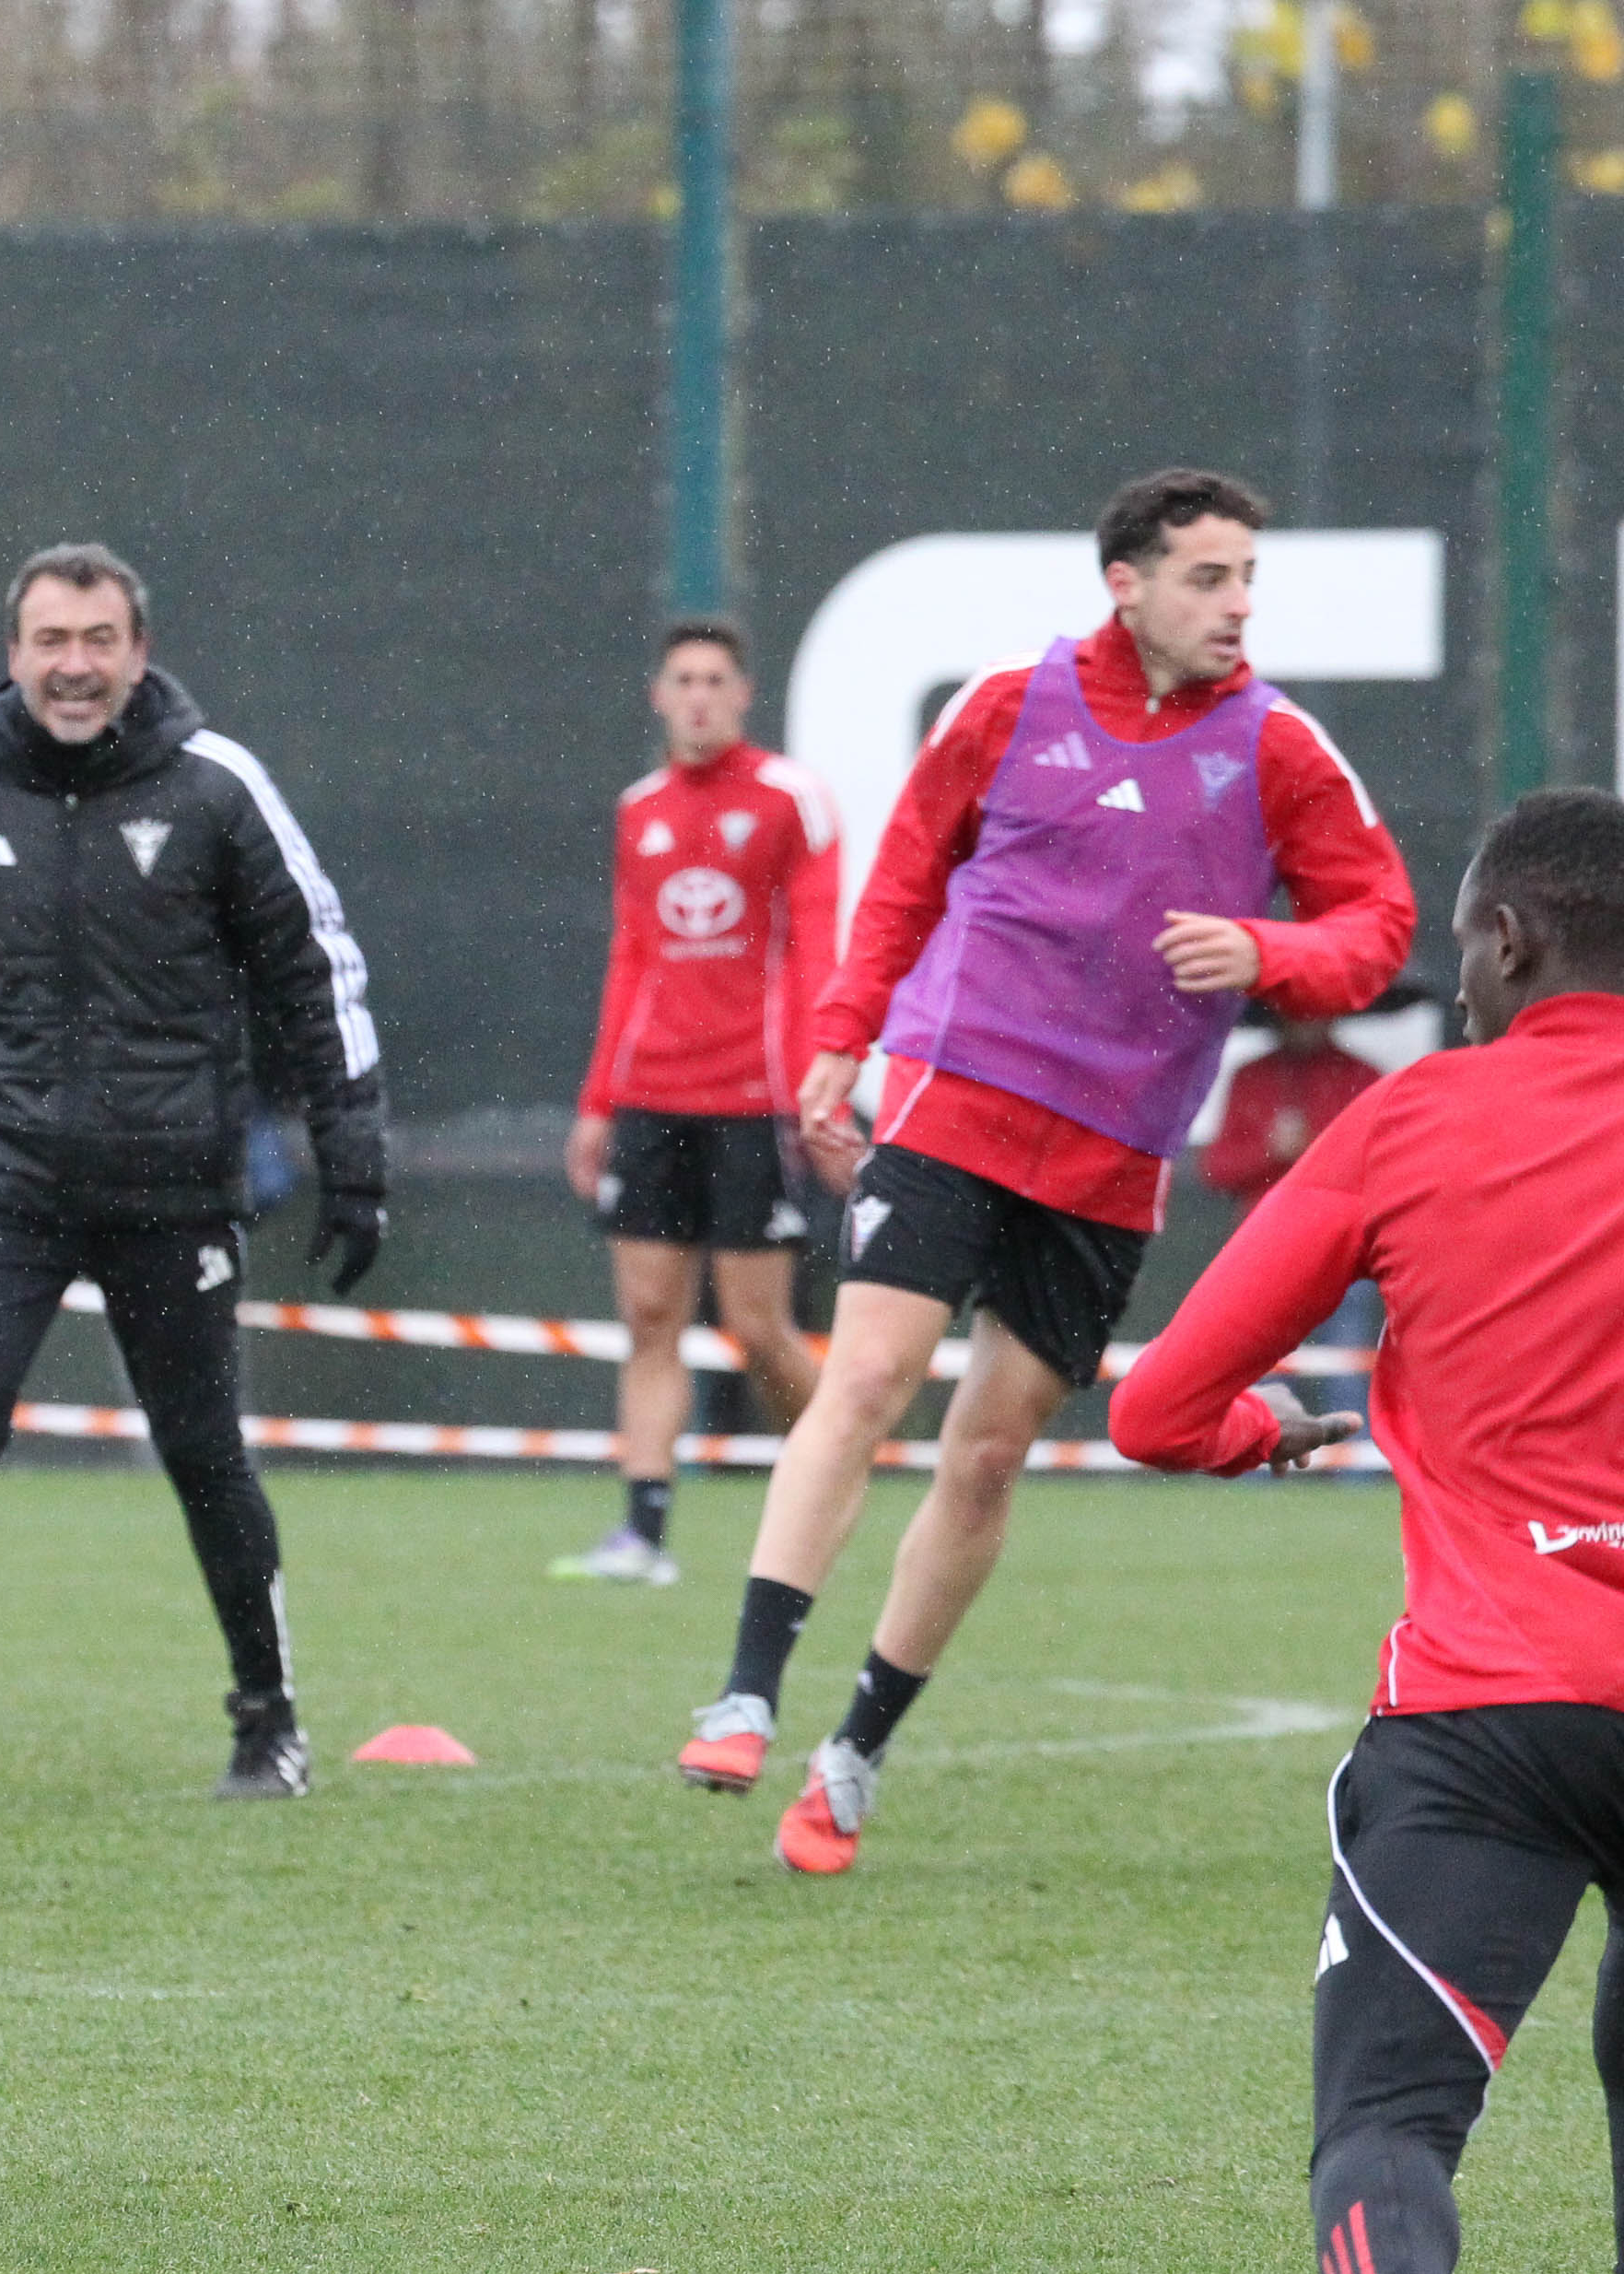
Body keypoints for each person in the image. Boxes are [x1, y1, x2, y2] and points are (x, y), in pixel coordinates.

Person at [675, 468, 1416, 1874]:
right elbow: (904, 878)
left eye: (1248, 576)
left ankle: (853, 1758)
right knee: (869, 1378)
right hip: (957, 1098)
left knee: (993, 1450)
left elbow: (1376, 921)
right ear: (1125, 585)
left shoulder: (1277, 745)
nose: (1238, 604)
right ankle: (745, 1692)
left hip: (1112, 1154)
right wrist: (845, 1033)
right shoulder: (1011, 705)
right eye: (1209, 577)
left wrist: (1273, 954)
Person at [1108, 789, 1624, 2274]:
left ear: (1505, 941)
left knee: (1391, 2109)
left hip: (1489, 1715)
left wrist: (1267, 1434)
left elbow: (1162, 1404)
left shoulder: (1419, 1120)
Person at [0, 542, 386, 1809]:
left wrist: (354, 1162)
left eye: (97, 640)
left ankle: (269, 1721)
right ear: (13, 650)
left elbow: (318, 972)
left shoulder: (215, 788)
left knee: (203, 1450)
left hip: (171, 1185)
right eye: (50, 640)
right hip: (2, 1181)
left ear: (138, 651)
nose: (73, 665)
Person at [551, 620, 835, 1588]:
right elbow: (631, 957)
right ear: (658, 696)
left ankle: (845, 1473)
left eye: (717, 679)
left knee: (759, 1326)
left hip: (752, 1102)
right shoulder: (640, 811)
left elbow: (814, 951)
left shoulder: (791, 799)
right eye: (684, 680)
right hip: (650, 1099)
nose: (701, 696)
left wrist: (812, 1085)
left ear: (743, 694)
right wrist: (599, 1101)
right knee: (649, 1319)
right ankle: (642, 1532)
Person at [1199, 1007, 1386, 1418]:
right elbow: (1216, 1167)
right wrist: (1269, 1151)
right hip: (1262, 1250)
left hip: (1344, 1253)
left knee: (1346, 1370)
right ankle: (1254, 1471)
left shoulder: (1364, 1078)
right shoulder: (1249, 1078)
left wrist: (1315, 1147)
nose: (1307, 1018)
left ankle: (1356, 1475)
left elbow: (1381, 1168)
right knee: (1262, 1371)